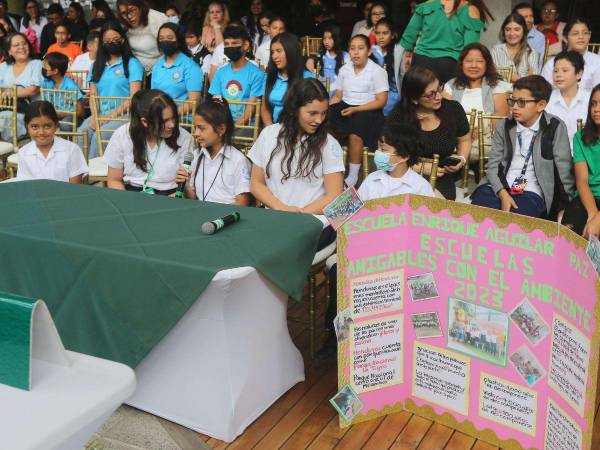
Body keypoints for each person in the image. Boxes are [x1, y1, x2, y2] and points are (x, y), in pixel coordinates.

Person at [320, 120, 435, 358]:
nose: (378, 154)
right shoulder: (372, 179)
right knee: (337, 273)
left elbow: (426, 234)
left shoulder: (420, 189)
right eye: (379, 147)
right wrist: (335, 211)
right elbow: (347, 213)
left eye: (384, 149)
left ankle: (381, 343)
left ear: (402, 156)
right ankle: (338, 339)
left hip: (399, 260)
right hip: (365, 253)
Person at [470, 75, 574, 218]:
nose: (515, 107)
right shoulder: (505, 125)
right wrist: (502, 193)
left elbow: (564, 171)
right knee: (477, 215)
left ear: (541, 105)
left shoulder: (555, 127)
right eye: (512, 101)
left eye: (522, 102)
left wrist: (565, 206)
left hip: (531, 190)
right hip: (497, 185)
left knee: (518, 220)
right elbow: (493, 165)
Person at [249, 77, 344, 222]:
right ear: (294, 109)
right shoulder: (268, 135)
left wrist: (299, 215)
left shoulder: (328, 144)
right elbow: (256, 183)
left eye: (324, 113)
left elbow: (335, 195)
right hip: (275, 217)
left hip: (312, 222)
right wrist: (280, 208)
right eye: (312, 113)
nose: (319, 120)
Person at [387, 66, 471, 200]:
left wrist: (461, 159)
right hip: (403, 175)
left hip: (441, 178)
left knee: (437, 209)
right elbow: (385, 156)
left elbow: (464, 140)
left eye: (439, 89)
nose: (438, 96)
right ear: (414, 98)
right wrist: (418, 167)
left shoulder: (453, 109)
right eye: (431, 94)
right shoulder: (399, 117)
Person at [104, 89, 194, 194]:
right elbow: (114, 180)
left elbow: (186, 187)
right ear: (145, 122)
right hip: (131, 193)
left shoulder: (184, 137)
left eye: (173, 118)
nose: (172, 125)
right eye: (165, 121)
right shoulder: (122, 135)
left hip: (171, 195)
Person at [329, 34, 388, 187]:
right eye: (352, 48)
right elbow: (338, 95)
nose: (355, 52)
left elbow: (381, 101)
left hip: (369, 110)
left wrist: (356, 110)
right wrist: (327, 108)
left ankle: (353, 175)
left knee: (357, 128)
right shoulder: (344, 69)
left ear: (368, 51)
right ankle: (330, 166)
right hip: (346, 105)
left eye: (360, 48)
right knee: (324, 120)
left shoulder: (377, 71)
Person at [79, 20, 144, 158]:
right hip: (101, 114)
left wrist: (108, 118)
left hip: (125, 115)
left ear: (123, 39)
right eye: (107, 40)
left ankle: (95, 176)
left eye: (115, 39)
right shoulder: (97, 65)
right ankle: (80, 173)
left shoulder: (132, 64)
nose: (111, 43)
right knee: (82, 132)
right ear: (102, 43)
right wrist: (96, 117)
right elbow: (93, 95)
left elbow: (134, 97)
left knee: (100, 135)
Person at [444, 43, 511, 164]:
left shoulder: (498, 86)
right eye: (469, 61)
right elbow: (442, 114)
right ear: (462, 64)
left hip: (484, 139)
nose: (474, 65)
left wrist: (476, 132)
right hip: (454, 136)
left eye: (479, 61)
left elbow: (500, 119)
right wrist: (465, 133)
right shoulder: (451, 85)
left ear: (487, 64)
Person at [175, 99, 251, 205]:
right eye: (195, 128)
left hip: (225, 219)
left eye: (202, 128)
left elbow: (242, 203)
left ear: (221, 129)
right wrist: (185, 185)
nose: (196, 133)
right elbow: (192, 199)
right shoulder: (196, 156)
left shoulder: (238, 160)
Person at [400, 0, 490, 84]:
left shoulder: (427, 5)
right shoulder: (470, 10)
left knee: (416, 99)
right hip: (450, 65)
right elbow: (470, 48)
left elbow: (408, 37)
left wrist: (408, 54)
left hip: (421, 63)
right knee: (448, 100)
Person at [15, 100, 87, 182]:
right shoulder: (23, 153)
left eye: (47, 126)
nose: (41, 132)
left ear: (56, 125)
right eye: (34, 126)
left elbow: (75, 188)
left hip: (66, 194)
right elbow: (25, 186)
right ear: (27, 127)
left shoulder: (72, 150)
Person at [209, 25, 265, 128]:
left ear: (246, 45)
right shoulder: (220, 72)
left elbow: (250, 110)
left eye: (234, 43)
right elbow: (216, 103)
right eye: (227, 44)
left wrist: (232, 128)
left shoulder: (257, 74)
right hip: (222, 125)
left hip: (245, 127)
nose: (230, 47)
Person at [562, 86, 600, 237]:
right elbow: (582, 181)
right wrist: (592, 214)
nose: (596, 109)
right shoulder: (580, 137)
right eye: (594, 104)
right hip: (587, 197)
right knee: (569, 236)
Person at [261, 32, 316, 126]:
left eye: (279, 51)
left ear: (291, 51)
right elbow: (265, 108)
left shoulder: (307, 78)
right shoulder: (269, 77)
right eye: (272, 52)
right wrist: (270, 130)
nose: (274, 56)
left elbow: (312, 112)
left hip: (299, 130)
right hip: (274, 128)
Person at [0, 32, 42, 140]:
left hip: (29, 112)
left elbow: (33, 90)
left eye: (24, 44)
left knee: (5, 118)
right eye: (16, 45)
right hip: (6, 109)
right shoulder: (4, 67)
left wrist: (10, 93)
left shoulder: (37, 64)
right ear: (9, 51)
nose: (21, 47)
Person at [545, 51, 591, 150]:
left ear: (579, 74)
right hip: (554, 156)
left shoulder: (590, 100)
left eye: (565, 70)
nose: (558, 75)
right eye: (555, 71)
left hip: (585, 156)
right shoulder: (547, 100)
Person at [541, 18, 600, 90]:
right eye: (575, 34)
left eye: (585, 33)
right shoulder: (552, 64)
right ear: (565, 38)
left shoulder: (598, 62)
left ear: (589, 36)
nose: (581, 37)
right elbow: (544, 92)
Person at [150, 22, 203, 103]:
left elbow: (194, 103)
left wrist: (170, 113)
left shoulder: (190, 66)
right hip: (159, 113)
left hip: (182, 115)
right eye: (161, 38)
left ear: (179, 40)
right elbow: (153, 97)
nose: (165, 41)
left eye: (170, 38)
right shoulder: (157, 66)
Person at [116, 0, 168, 73]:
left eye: (132, 10)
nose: (129, 16)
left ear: (141, 7)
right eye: (124, 13)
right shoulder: (123, 24)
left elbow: (171, 47)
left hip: (162, 70)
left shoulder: (156, 18)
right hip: (137, 72)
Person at [491, 13, 541, 82]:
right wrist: (514, 78)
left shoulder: (531, 53)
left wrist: (505, 75)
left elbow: (532, 80)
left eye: (517, 30)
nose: (512, 33)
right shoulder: (495, 50)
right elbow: (491, 74)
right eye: (508, 30)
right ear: (503, 31)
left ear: (524, 31)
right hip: (498, 92)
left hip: (522, 92)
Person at [40, 52, 83, 129]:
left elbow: (80, 112)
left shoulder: (71, 86)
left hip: (71, 116)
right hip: (53, 115)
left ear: (55, 71)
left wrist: (61, 114)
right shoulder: (46, 83)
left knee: (65, 125)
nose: (43, 68)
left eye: (45, 67)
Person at [306, 25, 349, 94]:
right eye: (324, 39)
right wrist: (310, 60)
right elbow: (314, 74)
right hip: (321, 90)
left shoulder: (345, 56)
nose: (326, 42)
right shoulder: (319, 56)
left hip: (338, 91)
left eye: (330, 38)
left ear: (337, 39)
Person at [371, 18, 401, 116]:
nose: (381, 37)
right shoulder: (370, 51)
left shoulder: (398, 52)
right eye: (378, 33)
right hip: (372, 97)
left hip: (393, 98)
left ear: (392, 35)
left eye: (385, 33)